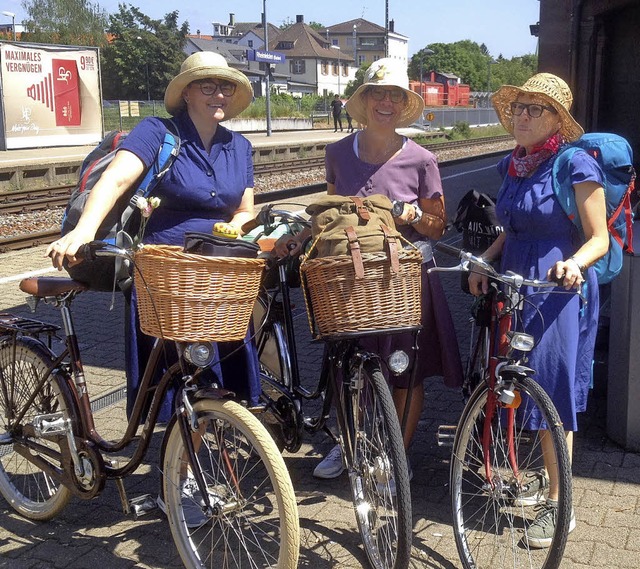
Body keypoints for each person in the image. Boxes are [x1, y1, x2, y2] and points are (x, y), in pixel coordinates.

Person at [46, 52, 260, 525]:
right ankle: (178, 479)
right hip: (163, 269)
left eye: (225, 87)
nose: (218, 94)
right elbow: (117, 178)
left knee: (210, 376)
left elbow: (245, 207)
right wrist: (84, 231)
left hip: (216, 271)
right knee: (175, 376)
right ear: (187, 93)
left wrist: (243, 228)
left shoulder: (239, 146)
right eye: (207, 86)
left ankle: (187, 470)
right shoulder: (158, 132)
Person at [281, 58, 464, 483]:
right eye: (378, 93)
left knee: (404, 369)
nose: (386, 102)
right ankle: (350, 446)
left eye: (395, 96)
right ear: (363, 101)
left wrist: (409, 211)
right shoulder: (338, 154)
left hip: (404, 277)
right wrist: (302, 238)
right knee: (348, 368)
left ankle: (394, 457)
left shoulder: (422, 159)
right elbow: (328, 216)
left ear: (404, 105)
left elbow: (437, 225)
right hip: (350, 276)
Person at [468, 73, 608, 548]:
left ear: (556, 121)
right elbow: (514, 227)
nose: (522, 117)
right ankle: (547, 483)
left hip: (558, 291)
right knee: (519, 385)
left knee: (553, 394)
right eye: (519, 108)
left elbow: (599, 238)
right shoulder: (515, 164)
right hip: (516, 285)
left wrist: (573, 264)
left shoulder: (575, 165)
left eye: (535, 110)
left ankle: (559, 504)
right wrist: (485, 260)